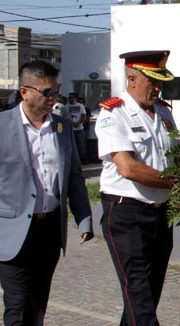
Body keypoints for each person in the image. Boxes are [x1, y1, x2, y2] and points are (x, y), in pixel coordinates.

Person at [0, 61, 93, 326]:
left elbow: (74, 176)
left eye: (57, 91)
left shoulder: (61, 128)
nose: (53, 98)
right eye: (47, 92)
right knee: (17, 305)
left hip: (49, 228)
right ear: (24, 92)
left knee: (38, 301)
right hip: (11, 230)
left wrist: (83, 217)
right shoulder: (2, 126)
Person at [96, 50, 178, 325]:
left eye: (161, 83)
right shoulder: (113, 113)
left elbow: (178, 155)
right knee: (140, 298)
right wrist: (179, 182)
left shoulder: (164, 112)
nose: (157, 89)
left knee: (146, 296)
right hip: (127, 214)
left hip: (160, 214)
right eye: (152, 82)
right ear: (132, 78)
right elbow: (128, 168)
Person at [66, 93, 89, 164]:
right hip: (71, 129)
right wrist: (72, 123)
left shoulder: (80, 106)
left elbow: (83, 115)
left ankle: (84, 160)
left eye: (71, 97)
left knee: (81, 145)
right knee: (72, 146)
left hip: (79, 129)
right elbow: (65, 116)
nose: (70, 99)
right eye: (69, 98)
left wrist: (78, 123)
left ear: (75, 98)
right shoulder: (66, 106)